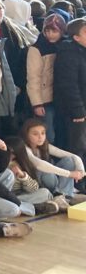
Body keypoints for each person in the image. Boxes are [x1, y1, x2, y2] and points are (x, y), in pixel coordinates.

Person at [16, 118, 86, 203]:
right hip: (36, 183)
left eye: (43, 133)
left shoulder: (44, 145)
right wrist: (70, 174)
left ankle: (64, 195)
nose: (40, 137)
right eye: (35, 134)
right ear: (26, 135)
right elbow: (39, 165)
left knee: (69, 160)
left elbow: (72, 156)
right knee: (45, 168)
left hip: (51, 181)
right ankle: (62, 195)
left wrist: (81, 170)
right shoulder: (24, 148)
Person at [26, 13, 65, 143]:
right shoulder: (37, 48)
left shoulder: (65, 46)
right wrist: (37, 103)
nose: (50, 34)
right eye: (47, 31)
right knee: (48, 135)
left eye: (54, 31)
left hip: (61, 98)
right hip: (45, 99)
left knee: (61, 133)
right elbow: (33, 78)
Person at [54, 17, 86, 165]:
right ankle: (77, 176)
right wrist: (78, 110)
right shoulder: (68, 53)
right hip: (76, 110)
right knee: (78, 146)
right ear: (76, 37)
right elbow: (68, 85)